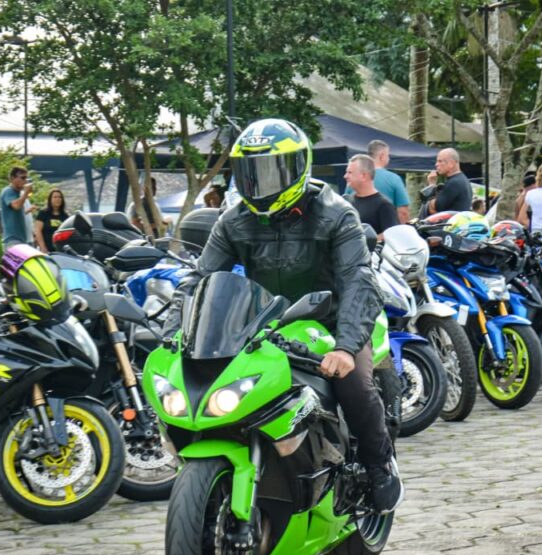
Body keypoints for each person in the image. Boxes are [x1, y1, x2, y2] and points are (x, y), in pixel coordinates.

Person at [170, 118, 402, 513]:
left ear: (297, 167)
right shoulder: (233, 220)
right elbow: (200, 277)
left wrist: (346, 347)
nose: (259, 184)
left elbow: (358, 281)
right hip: (265, 327)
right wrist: (173, 328)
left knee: (354, 386)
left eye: (269, 171)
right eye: (250, 172)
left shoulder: (336, 214)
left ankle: (380, 466)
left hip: (331, 324)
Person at [343, 154, 399, 233]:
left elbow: (391, 234)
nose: (345, 176)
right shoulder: (346, 202)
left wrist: (369, 239)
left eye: (350, 172)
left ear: (364, 176)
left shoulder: (384, 205)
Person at [366, 140, 410, 224]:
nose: (389, 158)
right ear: (382, 156)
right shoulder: (394, 179)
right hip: (388, 229)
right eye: (388, 155)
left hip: (360, 230)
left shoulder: (355, 177)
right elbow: (403, 212)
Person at [425, 148, 472, 215]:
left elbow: (434, 209)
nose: (436, 164)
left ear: (451, 164)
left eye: (440, 161)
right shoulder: (462, 179)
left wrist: (431, 185)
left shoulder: (454, 183)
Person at [0, 166, 34, 248]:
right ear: (12, 178)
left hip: (21, 239)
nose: (25, 181)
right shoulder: (8, 191)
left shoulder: (17, 194)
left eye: (26, 178)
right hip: (12, 240)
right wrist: (25, 193)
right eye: (23, 178)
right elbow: (16, 206)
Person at [34, 188, 68, 253]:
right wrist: (42, 247)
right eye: (55, 197)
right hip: (46, 250)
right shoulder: (43, 213)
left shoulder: (65, 216)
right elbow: (37, 231)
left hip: (61, 251)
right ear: (50, 200)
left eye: (59, 197)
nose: (57, 199)